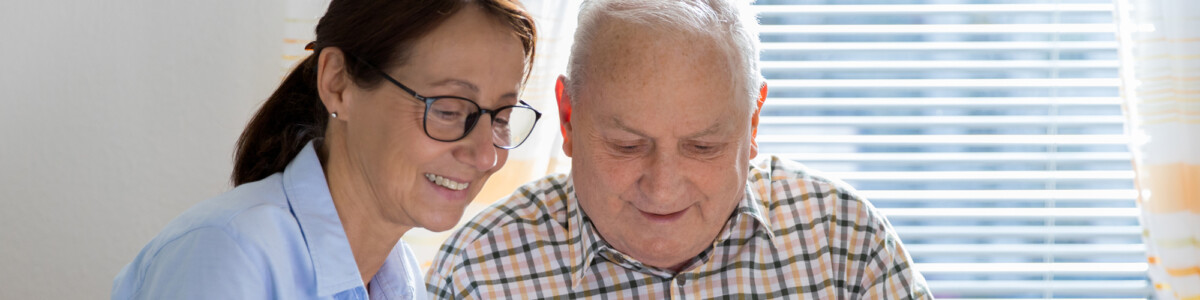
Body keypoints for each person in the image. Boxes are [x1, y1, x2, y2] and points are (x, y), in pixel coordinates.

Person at [426, 0, 931, 299]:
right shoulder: (475, 273)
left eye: (702, 146)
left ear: (753, 121)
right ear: (568, 119)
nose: (663, 187)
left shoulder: (847, 247)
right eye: (627, 145)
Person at [111, 0, 541, 299]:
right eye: (449, 109)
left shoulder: (401, 276)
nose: (487, 156)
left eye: (501, 117)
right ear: (338, 84)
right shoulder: (228, 253)